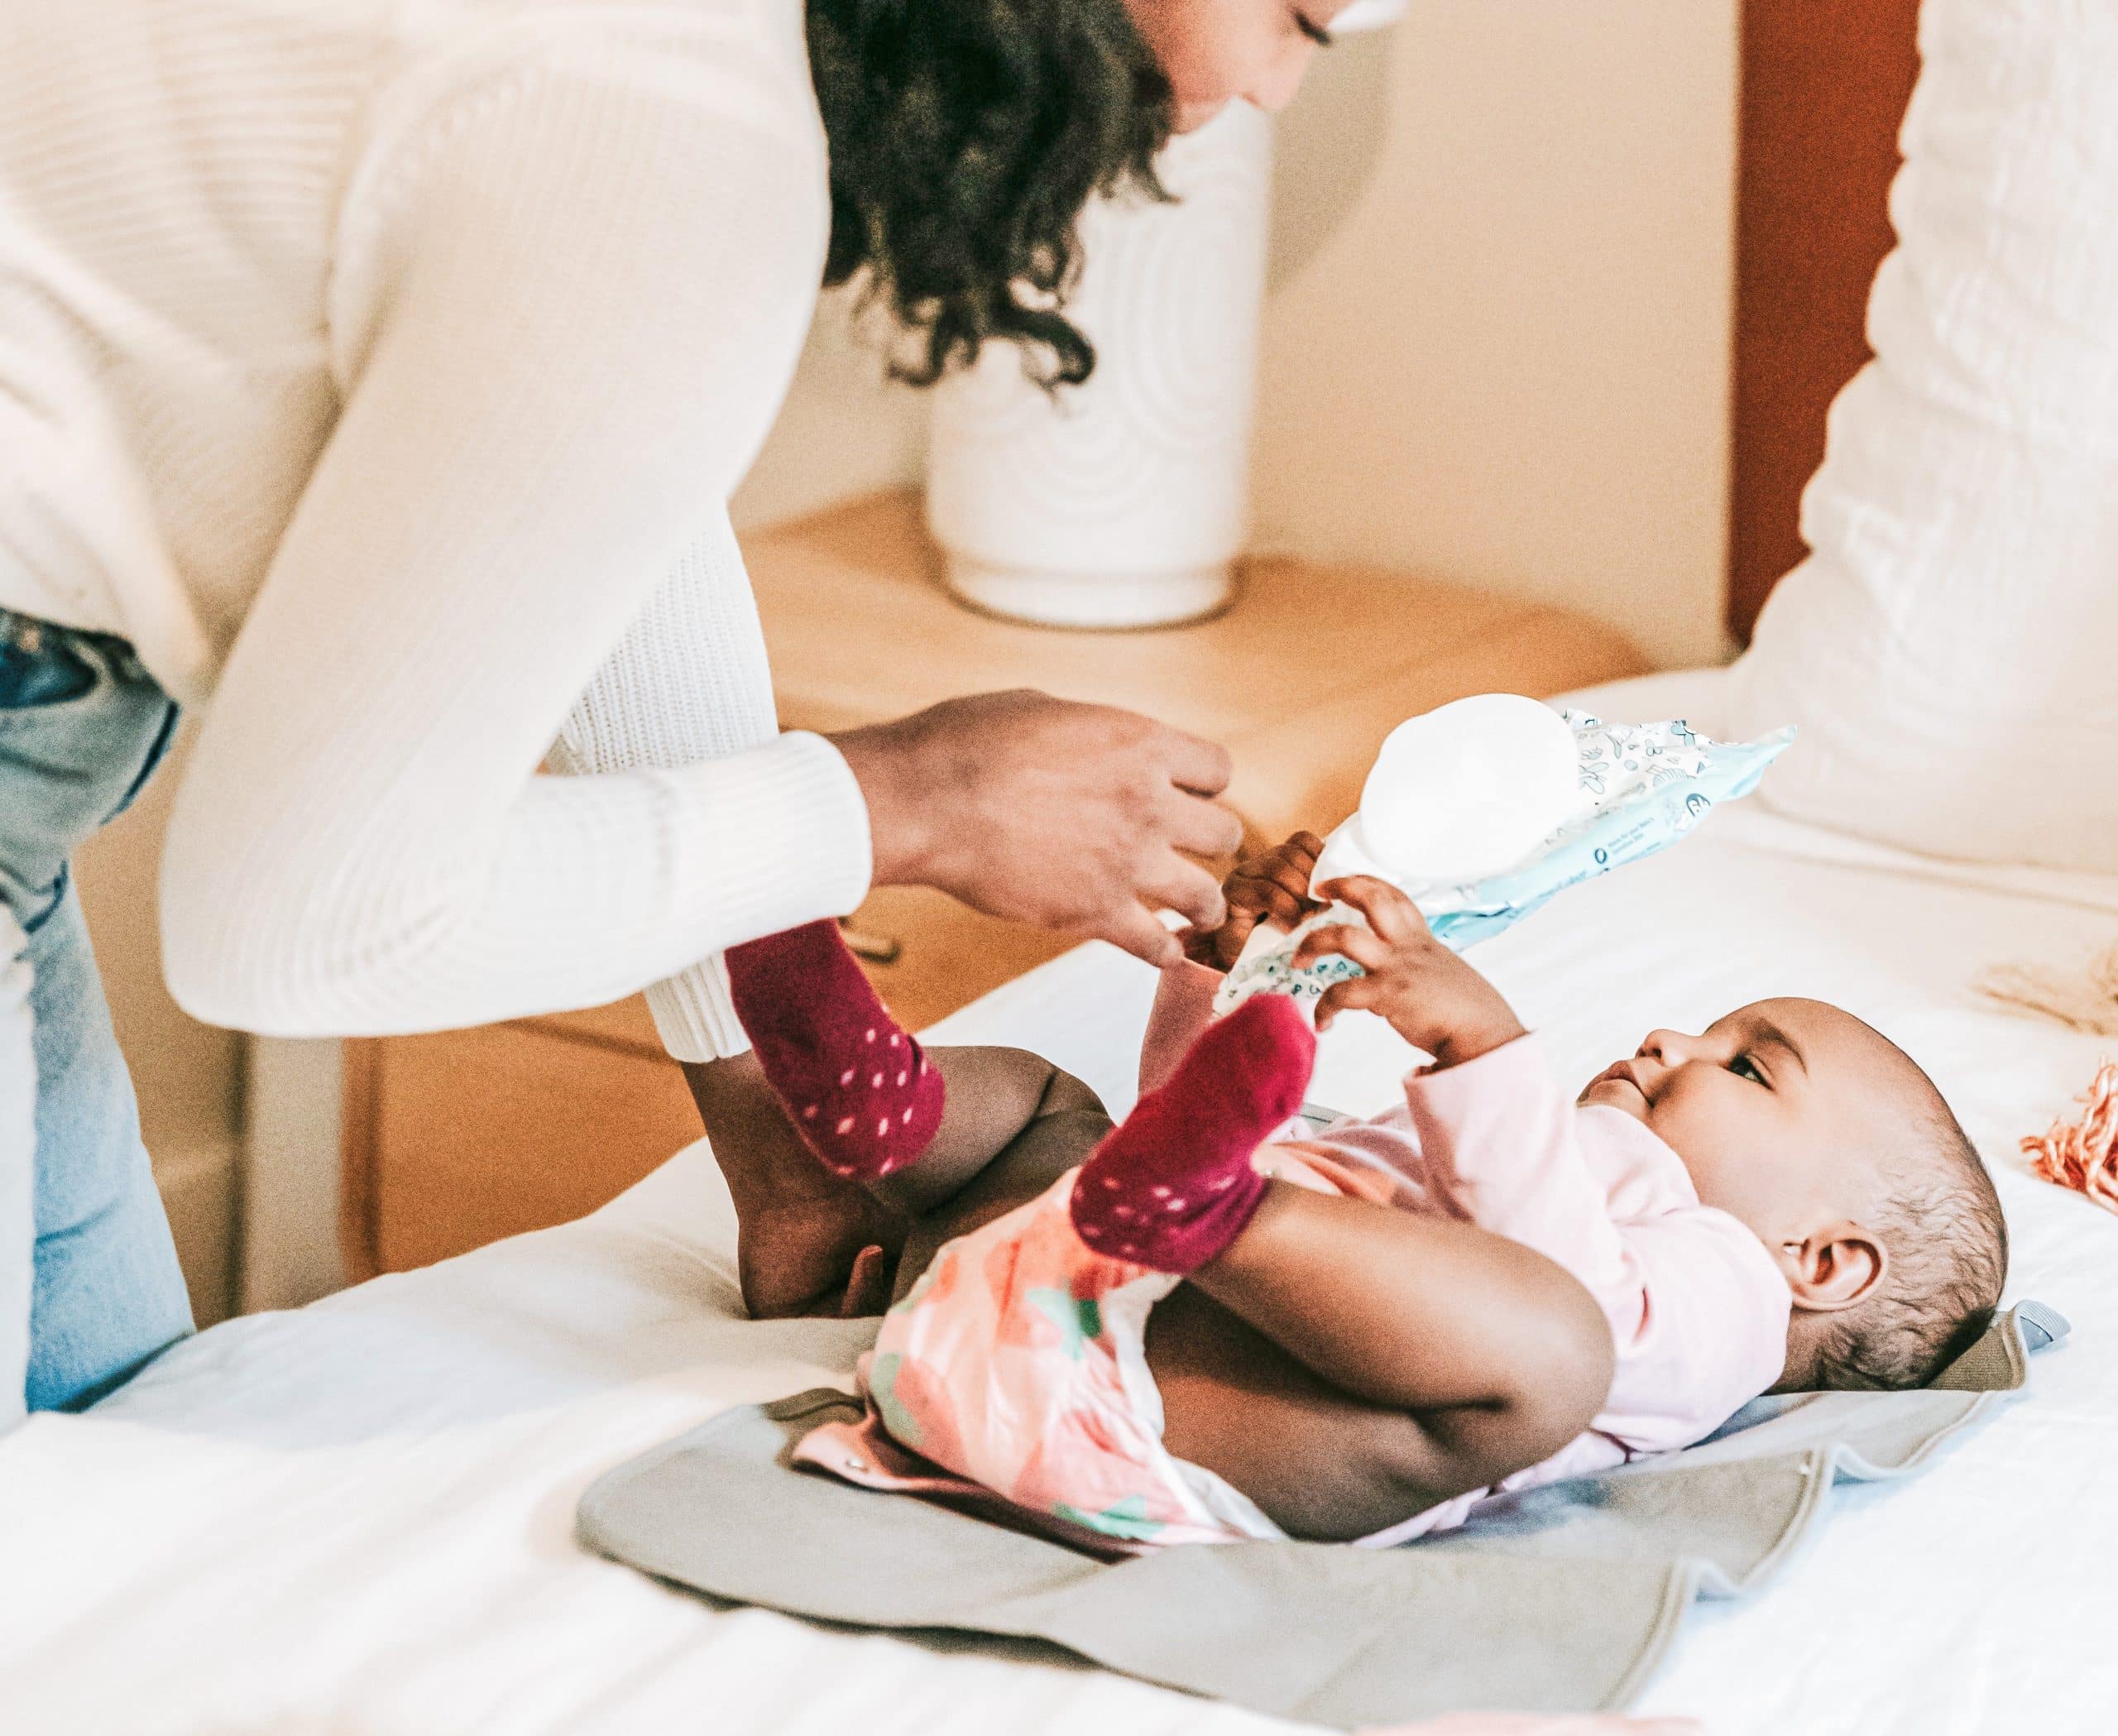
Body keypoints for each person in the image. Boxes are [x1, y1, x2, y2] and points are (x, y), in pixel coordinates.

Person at [0, 0, 1354, 1419]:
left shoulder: (676, 86)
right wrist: (915, 798)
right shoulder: (675, 122)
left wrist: (760, 1094)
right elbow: (298, 925)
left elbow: (598, 462)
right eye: (1306, 14)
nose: (1277, 81)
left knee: (111, 1498)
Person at [703, 834, 2010, 1545]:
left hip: (1179, 1419)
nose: (1671, 1041)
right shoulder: (1499, 1156)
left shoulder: (1721, 1284)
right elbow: (1176, 1138)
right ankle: (894, 1118)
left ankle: (1187, 1209)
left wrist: (1489, 1052)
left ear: (1824, 1262)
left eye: (1746, 1064)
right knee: (1060, 1117)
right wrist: (1233, 975)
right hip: (1088, 1289)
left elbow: (1591, 1318)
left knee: (1551, 1354)